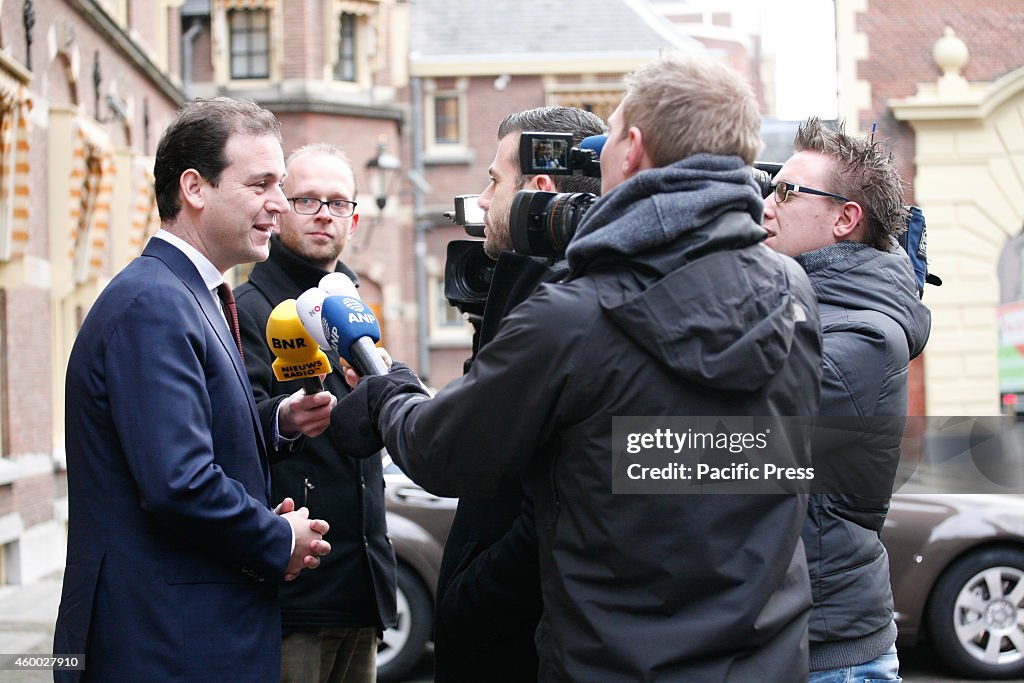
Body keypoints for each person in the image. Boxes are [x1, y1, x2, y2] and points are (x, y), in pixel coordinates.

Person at [333, 53, 824, 680]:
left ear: (634, 150)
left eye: (608, 136)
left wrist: (386, 392)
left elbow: (442, 450)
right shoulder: (793, 290)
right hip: (765, 663)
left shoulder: (575, 314)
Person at [52, 97, 334, 682]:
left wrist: (275, 423)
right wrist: (276, 537)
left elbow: (185, 438)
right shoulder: (154, 304)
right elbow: (179, 484)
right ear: (195, 188)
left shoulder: (187, 294)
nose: (279, 205)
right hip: (162, 644)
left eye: (279, 186)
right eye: (260, 185)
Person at [432, 106, 604, 682]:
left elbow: (546, 511)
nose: (482, 200)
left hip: (517, 648)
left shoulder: (554, 315)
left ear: (540, 187)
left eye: (493, 179)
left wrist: (468, 599)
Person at [762, 117, 931, 682]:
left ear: (844, 218)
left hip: (832, 655)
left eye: (786, 191)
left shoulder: (864, 338)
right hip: (787, 639)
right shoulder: (794, 304)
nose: (767, 204)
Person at [234, 143, 397, 683]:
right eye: (307, 200)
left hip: (362, 587)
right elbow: (227, 427)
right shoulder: (244, 309)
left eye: (337, 202)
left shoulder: (354, 307)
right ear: (280, 209)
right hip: (292, 596)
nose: (324, 213)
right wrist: (281, 416)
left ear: (354, 217)